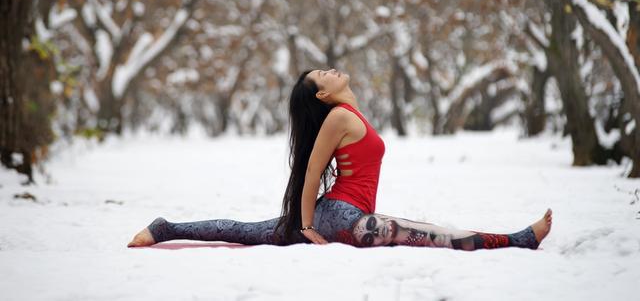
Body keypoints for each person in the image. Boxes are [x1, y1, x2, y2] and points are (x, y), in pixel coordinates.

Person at [127, 68, 552, 249]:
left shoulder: (349, 114)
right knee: (430, 234)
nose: (330, 70)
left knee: (248, 231)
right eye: (322, 76)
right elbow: (311, 170)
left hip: (344, 213)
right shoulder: (339, 118)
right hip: (342, 217)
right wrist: (308, 225)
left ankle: (165, 228)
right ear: (324, 95)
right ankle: (517, 240)